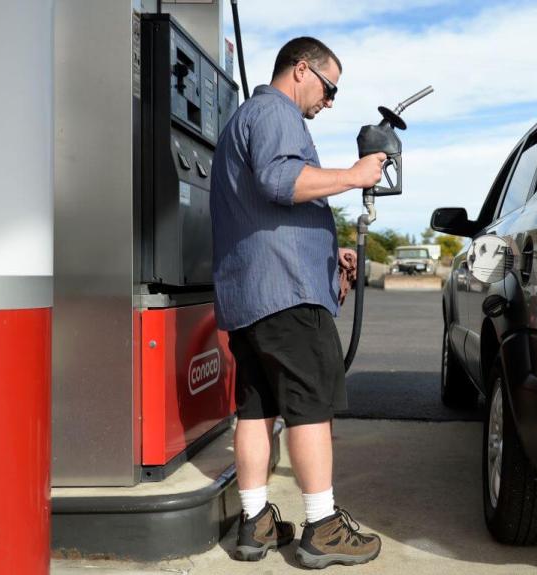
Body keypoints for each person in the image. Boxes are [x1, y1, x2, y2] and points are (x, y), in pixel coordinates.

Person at [209, 36, 386, 569]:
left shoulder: (249, 118)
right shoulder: (275, 112)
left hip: (253, 296)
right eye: (330, 89)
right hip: (286, 297)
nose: (329, 102)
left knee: (257, 410)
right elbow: (281, 179)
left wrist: (329, 260)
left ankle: (256, 520)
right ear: (302, 70)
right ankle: (322, 525)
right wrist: (354, 176)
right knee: (311, 410)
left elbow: (268, 208)